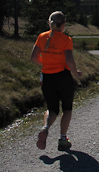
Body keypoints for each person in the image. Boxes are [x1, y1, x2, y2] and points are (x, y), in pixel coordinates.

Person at [31, 11, 83, 152]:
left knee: (52, 109)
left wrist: (46, 63)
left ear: (49, 23)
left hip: (47, 77)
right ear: (63, 24)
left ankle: (45, 128)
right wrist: (76, 73)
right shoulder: (66, 39)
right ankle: (62, 138)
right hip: (63, 76)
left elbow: (34, 57)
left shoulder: (42, 37)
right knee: (67, 108)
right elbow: (69, 60)